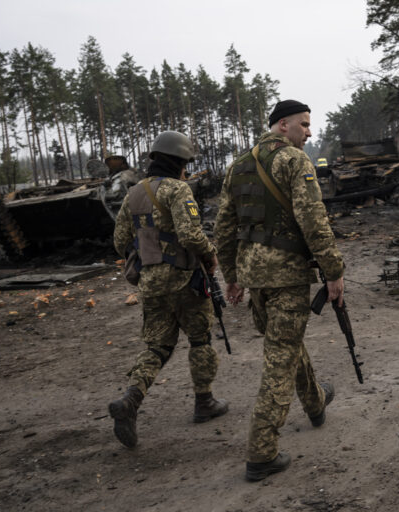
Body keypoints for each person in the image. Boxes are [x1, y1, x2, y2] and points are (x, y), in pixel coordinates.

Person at [214, 100, 345, 481]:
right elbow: (313, 220)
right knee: (279, 361)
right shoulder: (294, 161)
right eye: (304, 125)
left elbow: (224, 226)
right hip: (287, 277)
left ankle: (315, 401)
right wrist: (334, 270)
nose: (309, 132)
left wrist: (233, 275)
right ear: (282, 126)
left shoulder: (238, 165)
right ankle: (261, 452)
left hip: (256, 278)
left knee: (283, 344)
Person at [108, 130, 228, 450]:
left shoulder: (133, 193)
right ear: (179, 163)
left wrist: (149, 253)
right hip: (185, 279)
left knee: (157, 347)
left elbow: (120, 243)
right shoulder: (179, 190)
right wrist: (211, 254)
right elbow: (190, 235)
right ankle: (204, 403)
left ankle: (130, 401)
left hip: (149, 283)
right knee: (200, 339)